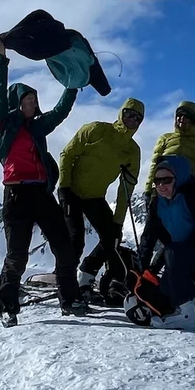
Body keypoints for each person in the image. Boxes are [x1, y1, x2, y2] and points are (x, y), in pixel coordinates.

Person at [0, 35, 80, 323]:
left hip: (41, 195)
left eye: (34, 99)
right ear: (17, 102)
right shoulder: (3, 126)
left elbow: (60, 112)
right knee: (17, 256)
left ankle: (70, 299)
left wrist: (73, 85)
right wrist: (2, 58)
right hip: (16, 196)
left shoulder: (38, 127)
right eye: (28, 99)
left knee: (64, 246)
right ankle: (8, 306)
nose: (32, 102)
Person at [55, 97, 146, 310]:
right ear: (121, 113)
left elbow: (126, 188)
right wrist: (64, 188)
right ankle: (66, 289)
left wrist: (118, 221)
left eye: (137, 117)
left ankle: (85, 278)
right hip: (72, 192)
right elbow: (67, 154)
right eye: (128, 114)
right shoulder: (96, 130)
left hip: (95, 197)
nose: (131, 119)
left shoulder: (132, 151)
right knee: (75, 239)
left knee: (113, 237)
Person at [137, 153, 195, 326]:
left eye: (167, 180)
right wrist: (141, 269)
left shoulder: (194, 198)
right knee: (164, 295)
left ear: (178, 178)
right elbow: (149, 237)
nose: (161, 185)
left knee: (174, 253)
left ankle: (186, 313)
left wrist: (176, 252)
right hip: (183, 258)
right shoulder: (157, 204)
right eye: (157, 181)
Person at [143, 101, 195, 202]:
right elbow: (154, 165)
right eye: (179, 115)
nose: (182, 119)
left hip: (187, 193)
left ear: (194, 120)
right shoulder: (165, 139)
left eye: (187, 117)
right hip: (162, 189)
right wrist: (148, 190)